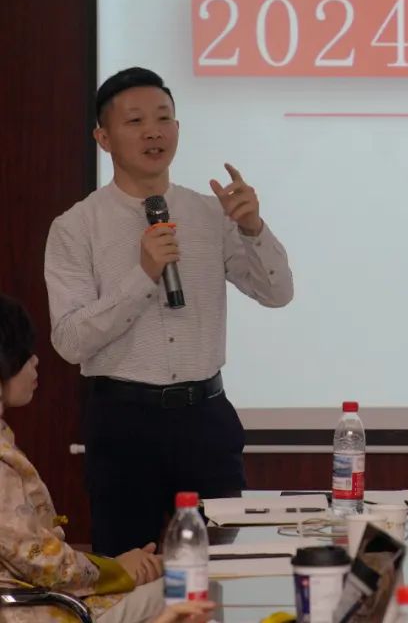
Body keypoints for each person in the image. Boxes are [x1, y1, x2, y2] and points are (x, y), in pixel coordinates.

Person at [44, 67, 294, 556]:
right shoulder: (76, 227)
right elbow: (70, 341)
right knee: (129, 573)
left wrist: (253, 228)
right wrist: (143, 276)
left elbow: (277, 292)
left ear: (178, 129)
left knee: (219, 569)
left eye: (163, 119)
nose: (153, 132)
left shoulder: (211, 214)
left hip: (205, 419)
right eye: (135, 121)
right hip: (123, 423)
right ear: (103, 137)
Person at [0, 292, 165, 622]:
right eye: (24, 354)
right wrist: (119, 570)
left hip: (36, 597)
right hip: (32, 609)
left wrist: (119, 566)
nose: (35, 361)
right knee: (185, 589)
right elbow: (40, 561)